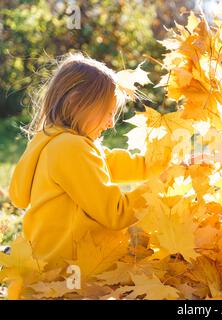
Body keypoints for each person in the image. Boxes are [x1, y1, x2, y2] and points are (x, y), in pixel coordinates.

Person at [9, 53, 151, 268]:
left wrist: (167, 162)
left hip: (49, 263)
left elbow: (116, 163)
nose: (111, 123)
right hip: (70, 270)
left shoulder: (53, 141)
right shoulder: (69, 148)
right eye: (107, 112)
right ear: (76, 101)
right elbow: (116, 213)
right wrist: (160, 185)